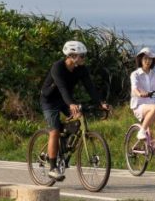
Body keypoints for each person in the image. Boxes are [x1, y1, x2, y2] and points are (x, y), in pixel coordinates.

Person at [39, 40, 110, 181]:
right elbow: (62, 88)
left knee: (78, 119)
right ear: (71, 56)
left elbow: (90, 87)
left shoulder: (81, 69)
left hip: (66, 100)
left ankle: (63, 147)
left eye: (84, 56)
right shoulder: (57, 67)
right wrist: (71, 103)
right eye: (81, 56)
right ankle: (53, 168)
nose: (84, 58)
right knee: (54, 131)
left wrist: (100, 103)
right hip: (50, 101)